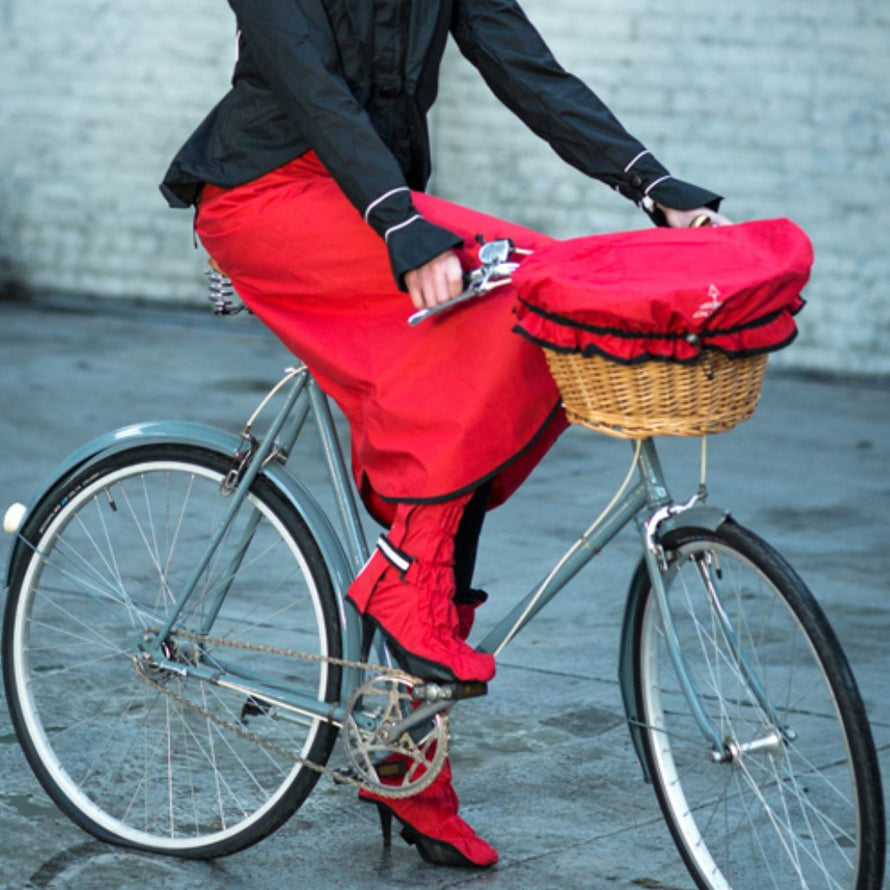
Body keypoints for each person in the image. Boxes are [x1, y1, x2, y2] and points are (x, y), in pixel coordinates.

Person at [161, 0, 728, 869]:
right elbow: (310, 85)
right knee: (511, 297)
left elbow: (530, 74)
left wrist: (652, 182)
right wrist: (398, 218)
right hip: (268, 190)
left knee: (504, 356)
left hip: (375, 198)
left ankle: (409, 761)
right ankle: (403, 586)